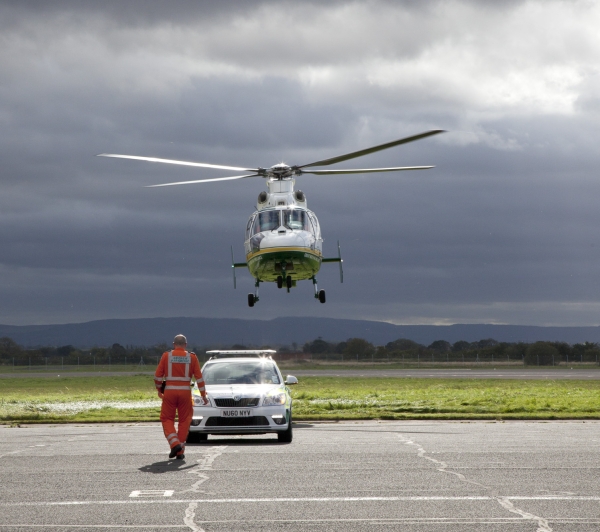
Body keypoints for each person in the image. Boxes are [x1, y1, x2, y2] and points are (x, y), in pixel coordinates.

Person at [154, 334, 208, 460]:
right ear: (186, 345)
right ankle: (180, 451)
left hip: (169, 393)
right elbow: (199, 378)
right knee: (185, 420)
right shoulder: (192, 357)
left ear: (174, 344)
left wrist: (159, 389)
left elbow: (157, 377)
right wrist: (203, 395)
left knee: (167, 419)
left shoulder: (166, 356)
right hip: (185, 393)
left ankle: (175, 444)